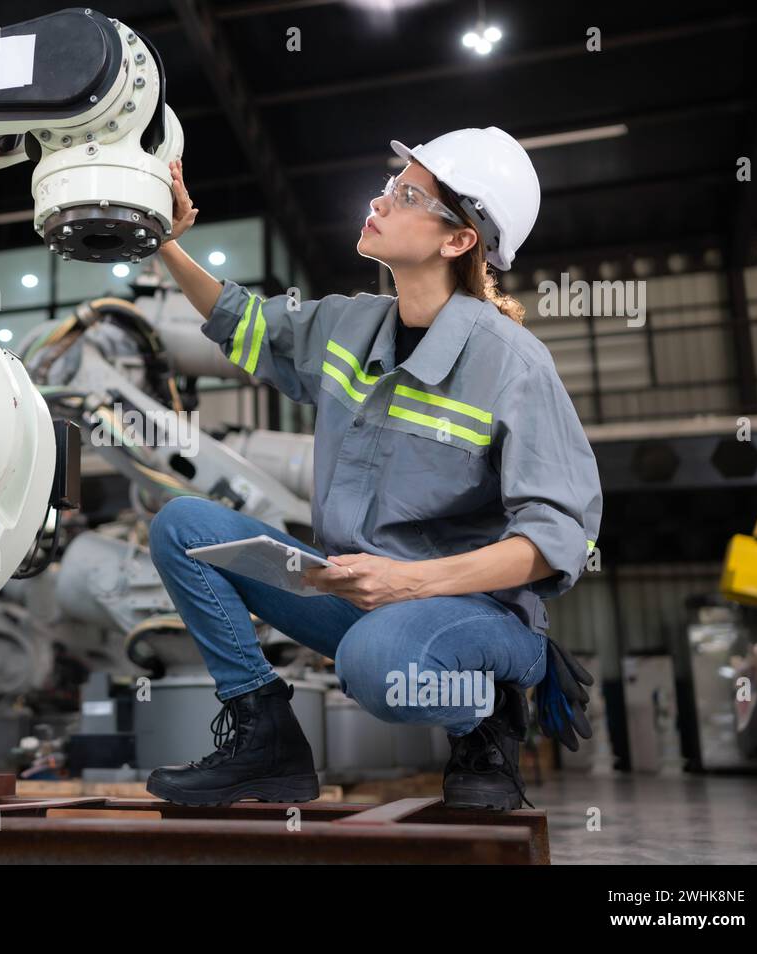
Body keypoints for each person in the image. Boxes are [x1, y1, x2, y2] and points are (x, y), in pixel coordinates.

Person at [144, 127, 602, 811]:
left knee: (380, 668)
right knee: (183, 526)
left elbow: (559, 538)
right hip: (360, 592)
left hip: (469, 609)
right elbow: (246, 324)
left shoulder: (512, 365)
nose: (381, 202)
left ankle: (489, 716)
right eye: (389, 187)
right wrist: (164, 241)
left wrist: (408, 582)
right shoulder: (348, 326)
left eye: (408, 194)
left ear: (458, 240)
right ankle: (265, 734)